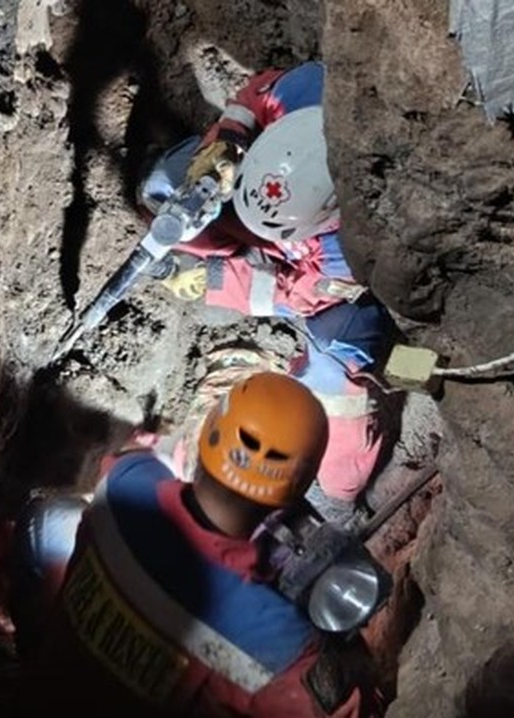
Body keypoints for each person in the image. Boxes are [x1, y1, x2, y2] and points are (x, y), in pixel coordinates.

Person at [26, 372, 381, 717]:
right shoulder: (280, 645)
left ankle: (28, 644)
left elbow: (134, 457)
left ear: (206, 434)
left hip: (49, 696)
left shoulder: (125, 482)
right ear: (301, 483)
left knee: (52, 514)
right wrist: (351, 662)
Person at [141, 61, 395, 522]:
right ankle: (217, 261)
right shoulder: (307, 92)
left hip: (337, 299)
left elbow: (301, 296)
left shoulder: (357, 243)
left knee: (334, 372)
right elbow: (257, 94)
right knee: (167, 191)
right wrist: (228, 141)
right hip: (270, 214)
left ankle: (339, 497)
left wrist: (215, 281)